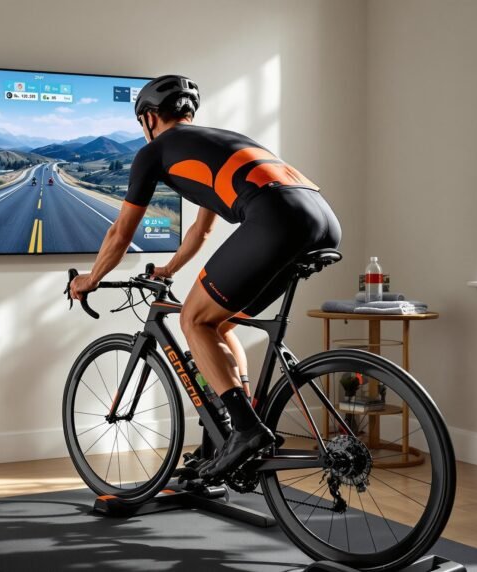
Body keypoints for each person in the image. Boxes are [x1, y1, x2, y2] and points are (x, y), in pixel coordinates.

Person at [68, 75, 341, 479]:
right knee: (220, 321)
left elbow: (120, 232)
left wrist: (90, 279)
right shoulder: (214, 141)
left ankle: (246, 431)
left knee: (192, 319)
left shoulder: (156, 151)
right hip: (322, 219)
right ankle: (228, 430)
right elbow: (201, 231)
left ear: (147, 118)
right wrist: (169, 270)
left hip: (277, 219)